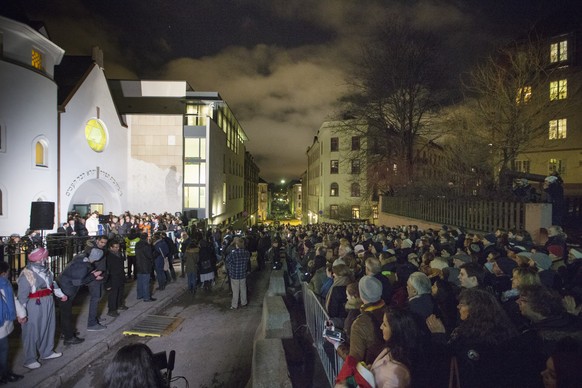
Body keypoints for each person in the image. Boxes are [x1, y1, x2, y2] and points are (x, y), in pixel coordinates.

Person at [426, 288, 518, 388]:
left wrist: (439, 335)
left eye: (462, 304)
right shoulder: (503, 329)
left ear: (476, 308)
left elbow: (451, 361)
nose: (458, 306)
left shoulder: (469, 336)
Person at [17, 247, 66, 369]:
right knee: (31, 331)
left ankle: (47, 352)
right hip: (34, 304)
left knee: (49, 326)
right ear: (40, 258)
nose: (46, 259)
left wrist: (60, 294)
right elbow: (22, 296)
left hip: (48, 300)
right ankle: (30, 359)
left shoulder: (47, 271)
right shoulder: (27, 274)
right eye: (45, 257)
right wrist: (22, 313)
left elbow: (52, 284)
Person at [57, 247, 105, 345]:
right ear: (98, 258)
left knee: (64, 313)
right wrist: (94, 275)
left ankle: (66, 332)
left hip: (63, 286)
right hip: (66, 290)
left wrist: (91, 274)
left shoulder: (81, 258)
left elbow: (79, 274)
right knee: (66, 314)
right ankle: (69, 338)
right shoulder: (83, 265)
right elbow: (78, 281)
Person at [370, 308, 421, 388]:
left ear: (395, 330)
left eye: (385, 324)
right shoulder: (390, 349)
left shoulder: (397, 373)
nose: (381, 327)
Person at [0, 262, 25, 383]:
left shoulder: (5, 284)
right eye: (8, 271)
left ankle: (6, 373)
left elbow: (12, 299)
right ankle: (4, 374)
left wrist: (21, 314)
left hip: (4, 321)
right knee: (3, 349)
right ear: (3, 272)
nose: (9, 274)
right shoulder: (4, 283)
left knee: (4, 349)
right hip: (1, 323)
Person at [86, 237, 108, 331]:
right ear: (97, 241)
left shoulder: (101, 249)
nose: (103, 244)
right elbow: (88, 264)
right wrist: (94, 275)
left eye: (105, 243)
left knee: (99, 297)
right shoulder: (91, 250)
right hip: (94, 278)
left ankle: (95, 317)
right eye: (101, 242)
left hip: (100, 276)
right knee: (95, 299)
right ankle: (92, 323)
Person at [226, 237, 250, 309]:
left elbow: (227, 260)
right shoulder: (246, 253)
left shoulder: (233, 254)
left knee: (235, 290)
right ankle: (244, 302)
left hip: (234, 274)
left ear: (237, 245)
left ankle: (234, 305)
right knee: (243, 288)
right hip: (243, 273)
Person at [105, 241, 127, 317]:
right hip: (113, 277)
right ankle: (111, 310)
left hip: (120, 276)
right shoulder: (108, 256)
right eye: (116, 247)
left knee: (120, 292)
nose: (118, 248)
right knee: (113, 294)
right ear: (111, 247)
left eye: (118, 247)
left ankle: (119, 304)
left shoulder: (119, 254)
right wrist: (108, 282)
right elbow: (108, 269)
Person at [135, 233, 156, 302]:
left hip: (138, 265)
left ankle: (139, 295)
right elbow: (149, 256)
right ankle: (146, 297)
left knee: (140, 282)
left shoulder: (137, 244)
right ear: (146, 238)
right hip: (146, 265)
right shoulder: (146, 246)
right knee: (146, 282)